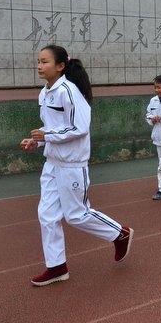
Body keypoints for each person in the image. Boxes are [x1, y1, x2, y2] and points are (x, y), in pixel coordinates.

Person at [21, 45, 133, 286]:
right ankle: (57, 267)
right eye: (38, 61)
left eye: (45, 62)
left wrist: (47, 135)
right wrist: (37, 141)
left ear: (60, 66)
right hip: (52, 162)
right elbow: (51, 127)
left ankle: (119, 233)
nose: (39, 66)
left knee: (76, 215)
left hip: (72, 163)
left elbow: (80, 128)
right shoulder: (44, 93)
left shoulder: (69, 91)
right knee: (47, 215)